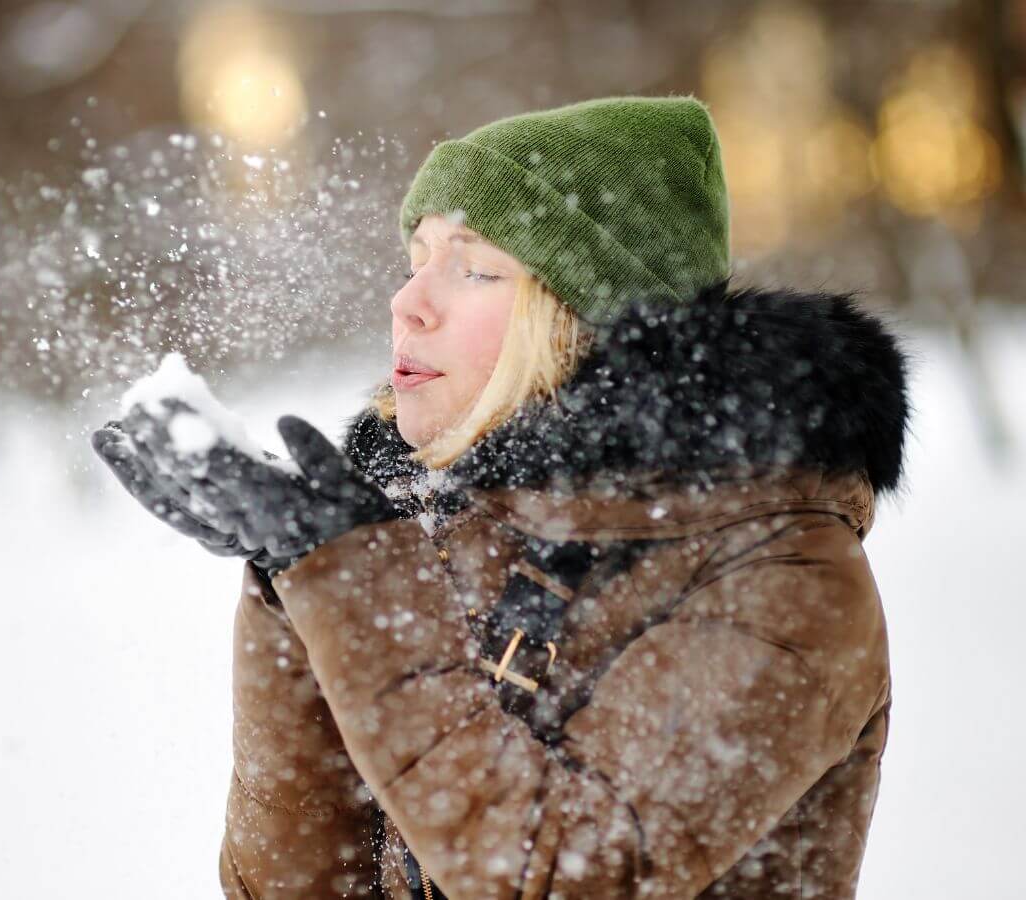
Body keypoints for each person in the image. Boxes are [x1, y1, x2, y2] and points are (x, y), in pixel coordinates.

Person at [92, 95, 910, 899]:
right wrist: (292, 584)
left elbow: (563, 878)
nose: (407, 302)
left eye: (476, 267)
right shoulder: (455, 531)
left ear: (591, 320)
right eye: (416, 262)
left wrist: (352, 586)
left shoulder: (785, 577)